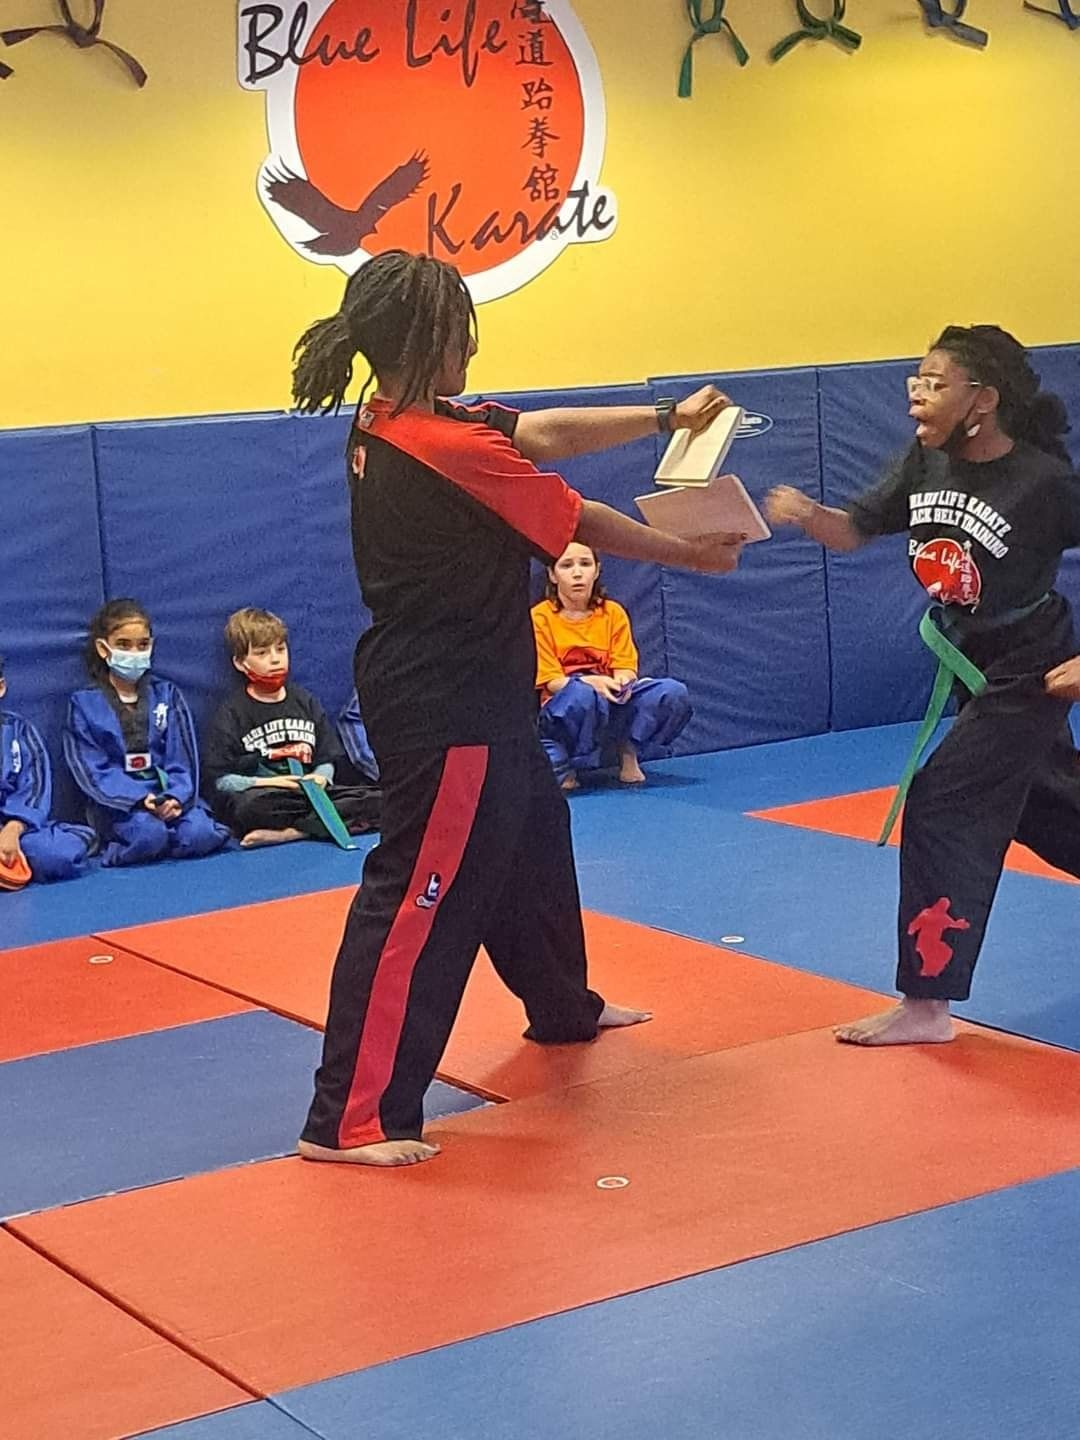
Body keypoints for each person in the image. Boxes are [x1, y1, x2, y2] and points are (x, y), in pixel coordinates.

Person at [290, 248, 744, 1167]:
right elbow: (572, 518)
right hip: (445, 691)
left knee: (533, 832)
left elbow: (535, 434)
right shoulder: (443, 445)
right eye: (459, 329)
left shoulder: (402, 417)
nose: (471, 344)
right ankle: (352, 1117)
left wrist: (663, 415)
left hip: (476, 674)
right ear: (429, 340)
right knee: (420, 889)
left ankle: (561, 1004)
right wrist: (691, 554)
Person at [766, 324, 1080, 1046]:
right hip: (974, 661)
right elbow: (854, 530)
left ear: (984, 399)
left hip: (1030, 668)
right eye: (915, 378)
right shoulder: (925, 460)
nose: (916, 392)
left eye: (935, 382)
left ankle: (927, 1005)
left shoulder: (1043, 482)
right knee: (1041, 806)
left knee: (942, 800)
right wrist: (804, 514)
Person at [64, 600, 230, 867]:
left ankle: (171, 834)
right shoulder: (84, 704)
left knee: (200, 833)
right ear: (103, 648)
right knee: (148, 835)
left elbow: (183, 758)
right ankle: (118, 851)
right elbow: (91, 770)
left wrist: (176, 797)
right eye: (124, 645)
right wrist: (139, 799)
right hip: (120, 806)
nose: (134, 653)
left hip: (168, 797)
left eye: (142, 645)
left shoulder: (167, 695)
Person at [202, 608, 380, 847]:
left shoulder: (304, 701)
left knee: (378, 801)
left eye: (280, 649)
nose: (275, 659)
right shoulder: (232, 713)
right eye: (262, 653)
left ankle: (295, 833)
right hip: (271, 796)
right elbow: (222, 781)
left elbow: (327, 759)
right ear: (241, 662)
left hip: (312, 794)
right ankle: (321, 825)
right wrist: (274, 783)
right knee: (248, 809)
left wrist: (319, 777)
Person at [532, 541, 692, 789]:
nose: (577, 573)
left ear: (596, 571)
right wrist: (594, 682)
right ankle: (569, 761)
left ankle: (628, 750)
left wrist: (622, 682)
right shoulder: (540, 617)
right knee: (581, 695)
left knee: (671, 692)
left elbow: (626, 666)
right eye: (566, 565)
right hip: (567, 705)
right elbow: (552, 681)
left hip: (611, 701)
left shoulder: (612, 612)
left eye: (585, 564)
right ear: (553, 575)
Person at [0, 652, 92, 887]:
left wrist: (12, 831)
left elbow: (34, 789)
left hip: (18, 829)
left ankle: (76, 836)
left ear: (0, 688)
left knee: (55, 857)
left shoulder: (20, 731)